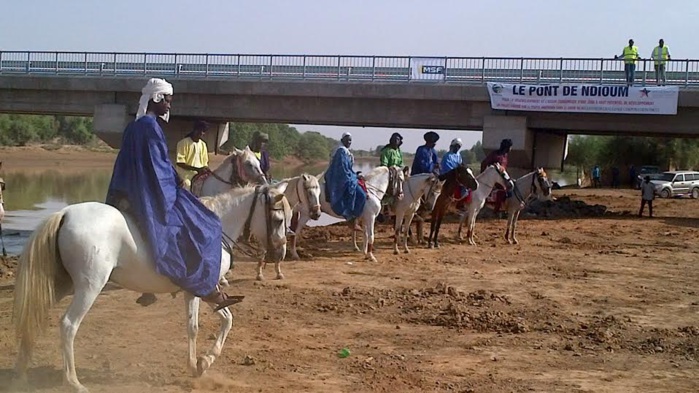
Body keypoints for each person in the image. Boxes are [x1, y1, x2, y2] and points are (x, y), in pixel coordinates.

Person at [105, 78, 241, 310]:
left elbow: (152, 162)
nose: (169, 105)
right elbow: (159, 166)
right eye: (167, 100)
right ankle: (203, 286)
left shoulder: (133, 126)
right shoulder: (150, 127)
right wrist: (177, 183)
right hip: (151, 191)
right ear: (156, 99)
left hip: (131, 188)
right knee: (205, 223)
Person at [325, 132, 366, 231]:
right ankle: (351, 217)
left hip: (343, 175)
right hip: (337, 178)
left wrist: (355, 174)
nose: (349, 142)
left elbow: (347, 169)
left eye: (350, 140)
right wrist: (354, 177)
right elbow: (342, 169)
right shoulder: (341, 151)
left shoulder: (345, 151)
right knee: (361, 195)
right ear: (342, 140)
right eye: (347, 140)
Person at [480, 138, 513, 213]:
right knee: (503, 190)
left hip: (502, 178)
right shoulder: (495, 154)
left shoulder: (505, 156)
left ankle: (505, 208)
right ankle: (496, 210)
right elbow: (484, 163)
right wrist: (483, 175)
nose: (511, 149)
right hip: (493, 179)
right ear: (507, 147)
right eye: (510, 147)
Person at [175, 120, 210, 190]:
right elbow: (180, 163)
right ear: (194, 130)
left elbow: (205, 162)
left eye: (203, 131)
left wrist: (206, 169)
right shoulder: (183, 143)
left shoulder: (203, 144)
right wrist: (197, 169)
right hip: (186, 175)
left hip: (199, 175)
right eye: (199, 130)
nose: (201, 133)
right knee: (187, 184)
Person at [440, 138, 468, 211]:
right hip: (447, 175)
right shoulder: (447, 156)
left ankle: (461, 203)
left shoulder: (459, 155)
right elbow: (448, 168)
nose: (457, 148)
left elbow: (460, 164)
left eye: (459, 146)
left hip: (456, 175)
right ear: (452, 146)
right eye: (456, 146)